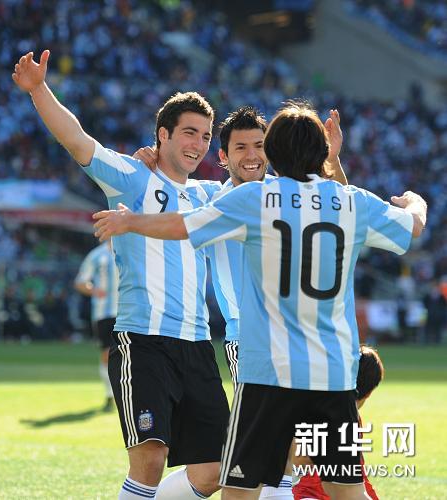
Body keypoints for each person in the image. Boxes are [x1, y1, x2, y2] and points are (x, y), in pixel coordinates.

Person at [93, 100, 427, 500]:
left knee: (242, 487)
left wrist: (130, 220)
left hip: (267, 367)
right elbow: (413, 226)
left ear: (272, 152)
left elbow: (182, 224)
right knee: (343, 489)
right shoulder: (351, 201)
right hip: (332, 371)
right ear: (322, 152)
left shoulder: (254, 199)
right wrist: (414, 201)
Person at [12, 49, 230, 500]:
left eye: (206, 136)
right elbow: (78, 141)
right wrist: (39, 89)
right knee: (150, 458)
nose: (198, 144)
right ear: (163, 135)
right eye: (189, 132)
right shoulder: (132, 177)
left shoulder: (211, 195)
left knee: (214, 470)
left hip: (197, 344)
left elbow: (260, 179)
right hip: (143, 340)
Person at [134, 105, 345, 499]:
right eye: (241, 147)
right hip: (249, 338)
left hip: (298, 337)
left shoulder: (288, 193)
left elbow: (338, 204)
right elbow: (169, 190)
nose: (252, 155)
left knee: (275, 453)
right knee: (276, 449)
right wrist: (151, 161)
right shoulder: (213, 198)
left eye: (259, 146)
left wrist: (330, 161)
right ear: (223, 156)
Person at [292, 345, 384, 500]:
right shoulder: (349, 417)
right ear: (369, 393)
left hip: (309, 494)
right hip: (319, 493)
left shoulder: (318, 408)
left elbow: (299, 459)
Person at [74, 241, 118, 411]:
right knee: (107, 353)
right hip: (104, 312)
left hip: (129, 311)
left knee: (133, 354)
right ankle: (110, 395)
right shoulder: (96, 255)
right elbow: (80, 282)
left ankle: (130, 395)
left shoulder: (132, 248)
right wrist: (94, 290)